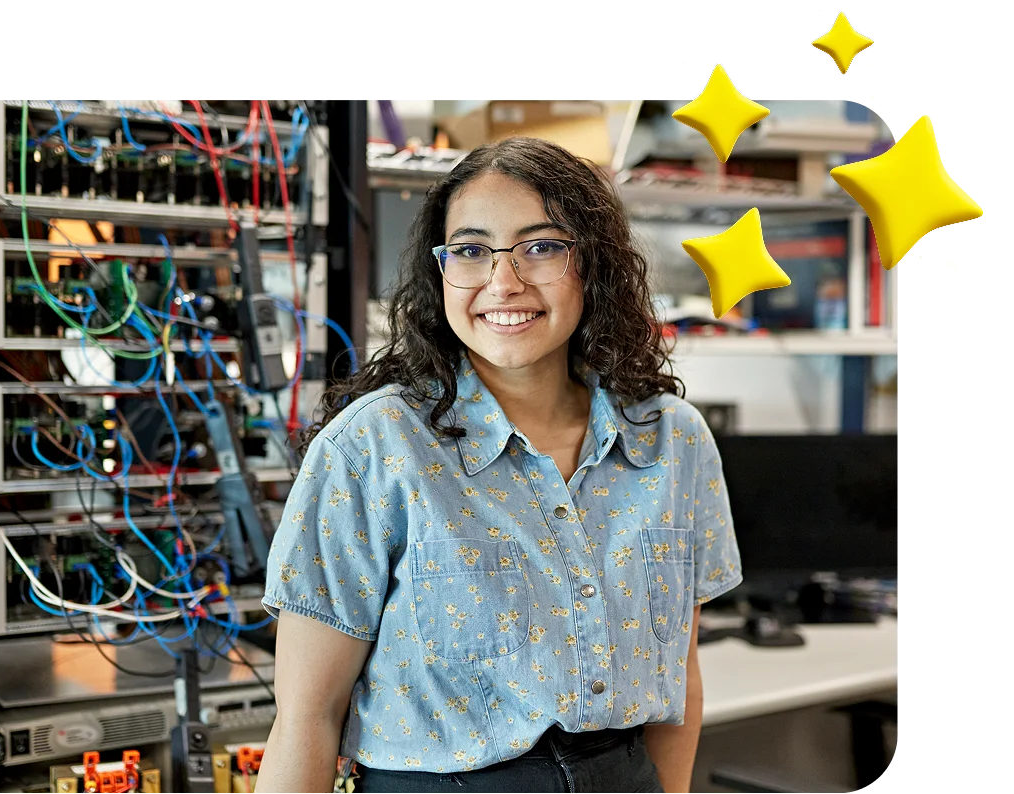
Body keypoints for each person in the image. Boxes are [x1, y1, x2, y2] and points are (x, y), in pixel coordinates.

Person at [254, 136, 743, 794]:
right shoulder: (374, 447)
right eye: (471, 250)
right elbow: (307, 718)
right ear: (441, 270)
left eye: (541, 247)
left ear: (592, 264)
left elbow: (679, 676)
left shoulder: (671, 440)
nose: (502, 281)